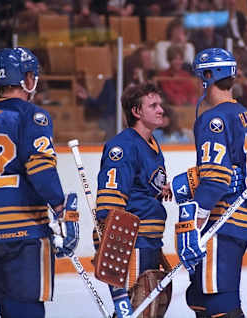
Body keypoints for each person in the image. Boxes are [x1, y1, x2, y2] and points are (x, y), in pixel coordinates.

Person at [0, 47, 79, 318]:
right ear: (27, 78)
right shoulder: (32, 115)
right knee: (27, 311)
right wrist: (61, 208)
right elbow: (41, 169)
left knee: (8, 310)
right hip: (23, 236)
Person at [172, 48, 247, 317]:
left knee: (219, 300)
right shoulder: (242, 112)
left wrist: (195, 221)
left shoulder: (213, 119)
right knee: (199, 296)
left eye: (201, 75)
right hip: (241, 217)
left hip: (223, 219)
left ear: (209, 76)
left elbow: (217, 178)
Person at [93, 82, 172, 317]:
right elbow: (110, 201)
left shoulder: (152, 144)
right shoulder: (123, 146)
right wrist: (110, 246)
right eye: (153, 105)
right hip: (133, 243)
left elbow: (142, 189)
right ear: (136, 112)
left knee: (145, 311)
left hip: (150, 242)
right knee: (135, 310)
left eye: (160, 104)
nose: (161, 110)